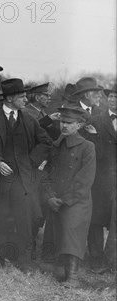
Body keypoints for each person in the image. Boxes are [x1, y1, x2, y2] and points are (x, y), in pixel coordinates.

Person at [0, 78, 52, 271]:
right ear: (10, 98)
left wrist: (31, 161)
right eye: (22, 97)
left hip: (23, 182)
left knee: (25, 222)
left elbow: (45, 142)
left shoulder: (29, 120)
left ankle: (25, 262)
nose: (25, 100)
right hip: (0, 181)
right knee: (0, 220)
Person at [41, 106, 96, 286]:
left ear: (79, 125)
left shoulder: (88, 147)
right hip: (56, 200)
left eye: (69, 123)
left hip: (77, 201)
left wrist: (65, 200)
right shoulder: (56, 146)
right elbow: (47, 173)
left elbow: (85, 180)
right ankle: (58, 268)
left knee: (72, 230)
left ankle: (73, 276)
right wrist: (50, 197)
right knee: (56, 231)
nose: (64, 125)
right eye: (62, 122)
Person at [89, 84, 117, 271]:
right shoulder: (97, 120)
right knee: (97, 219)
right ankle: (96, 259)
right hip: (101, 178)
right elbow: (92, 150)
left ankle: (111, 260)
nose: (114, 100)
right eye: (112, 96)